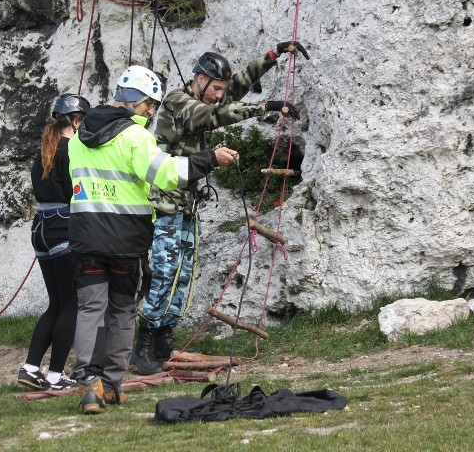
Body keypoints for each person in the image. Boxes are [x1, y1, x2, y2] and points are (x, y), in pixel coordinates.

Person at [68, 65, 238, 414]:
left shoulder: (78, 137)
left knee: (89, 311)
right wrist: (210, 158)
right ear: (138, 101)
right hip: (124, 240)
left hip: (84, 237)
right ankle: (113, 385)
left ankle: (89, 386)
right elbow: (166, 173)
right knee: (122, 311)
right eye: (149, 106)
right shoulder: (135, 137)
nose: (150, 113)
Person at [131, 42, 309, 374]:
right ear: (198, 79)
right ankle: (143, 344)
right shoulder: (178, 103)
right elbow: (214, 116)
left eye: (220, 90)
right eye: (214, 88)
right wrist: (265, 107)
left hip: (187, 206)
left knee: (183, 275)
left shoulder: (205, 97)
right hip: (164, 204)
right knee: (164, 273)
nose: (218, 94)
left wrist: (273, 55)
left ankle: (164, 340)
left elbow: (238, 85)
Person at [17, 94, 90, 391]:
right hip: (64, 226)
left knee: (56, 303)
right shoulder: (73, 149)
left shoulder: (44, 150)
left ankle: (30, 367)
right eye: (81, 121)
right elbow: (80, 191)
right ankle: (55, 375)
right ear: (75, 120)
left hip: (41, 228)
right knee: (71, 304)